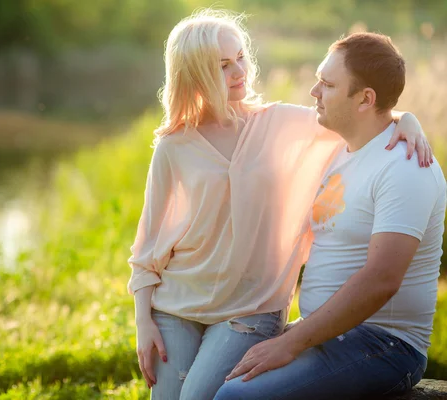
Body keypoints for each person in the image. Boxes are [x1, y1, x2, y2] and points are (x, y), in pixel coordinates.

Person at [128, 9, 433, 400]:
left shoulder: (282, 125)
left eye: (241, 57)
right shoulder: (173, 145)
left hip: (250, 309)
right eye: (222, 65)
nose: (239, 70)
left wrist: (407, 119)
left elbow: (363, 115)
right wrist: (144, 320)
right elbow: (148, 245)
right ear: (194, 73)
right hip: (175, 305)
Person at [215, 32, 446, 400]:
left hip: (384, 345)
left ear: (365, 99)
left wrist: (291, 344)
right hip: (328, 333)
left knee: (235, 397)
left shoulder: (406, 167)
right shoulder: (343, 148)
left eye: (327, 84)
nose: (313, 92)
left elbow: (381, 280)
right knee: (214, 377)